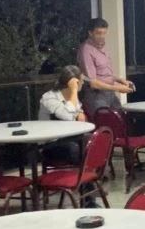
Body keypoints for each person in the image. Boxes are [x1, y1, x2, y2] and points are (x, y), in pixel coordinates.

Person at [37, 65, 99, 208]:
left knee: (89, 142)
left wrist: (78, 111)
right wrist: (74, 92)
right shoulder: (49, 98)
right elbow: (68, 117)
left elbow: (81, 119)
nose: (83, 83)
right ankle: (88, 191)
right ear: (73, 82)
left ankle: (88, 194)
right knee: (78, 149)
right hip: (50, 145)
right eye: (80, 81)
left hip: (70, 140)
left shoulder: (73, 98)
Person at [77, 18, 134, 114]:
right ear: (90, 33)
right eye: (99, 33)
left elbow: (104, 73)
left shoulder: (101, 47)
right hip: (96, 96)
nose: (102, 36)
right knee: (104, 121)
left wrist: (120, 80)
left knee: (121, 118)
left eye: (104, 33)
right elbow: (93, 83)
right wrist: (118, 88)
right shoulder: (86, 50)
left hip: (110, 93)